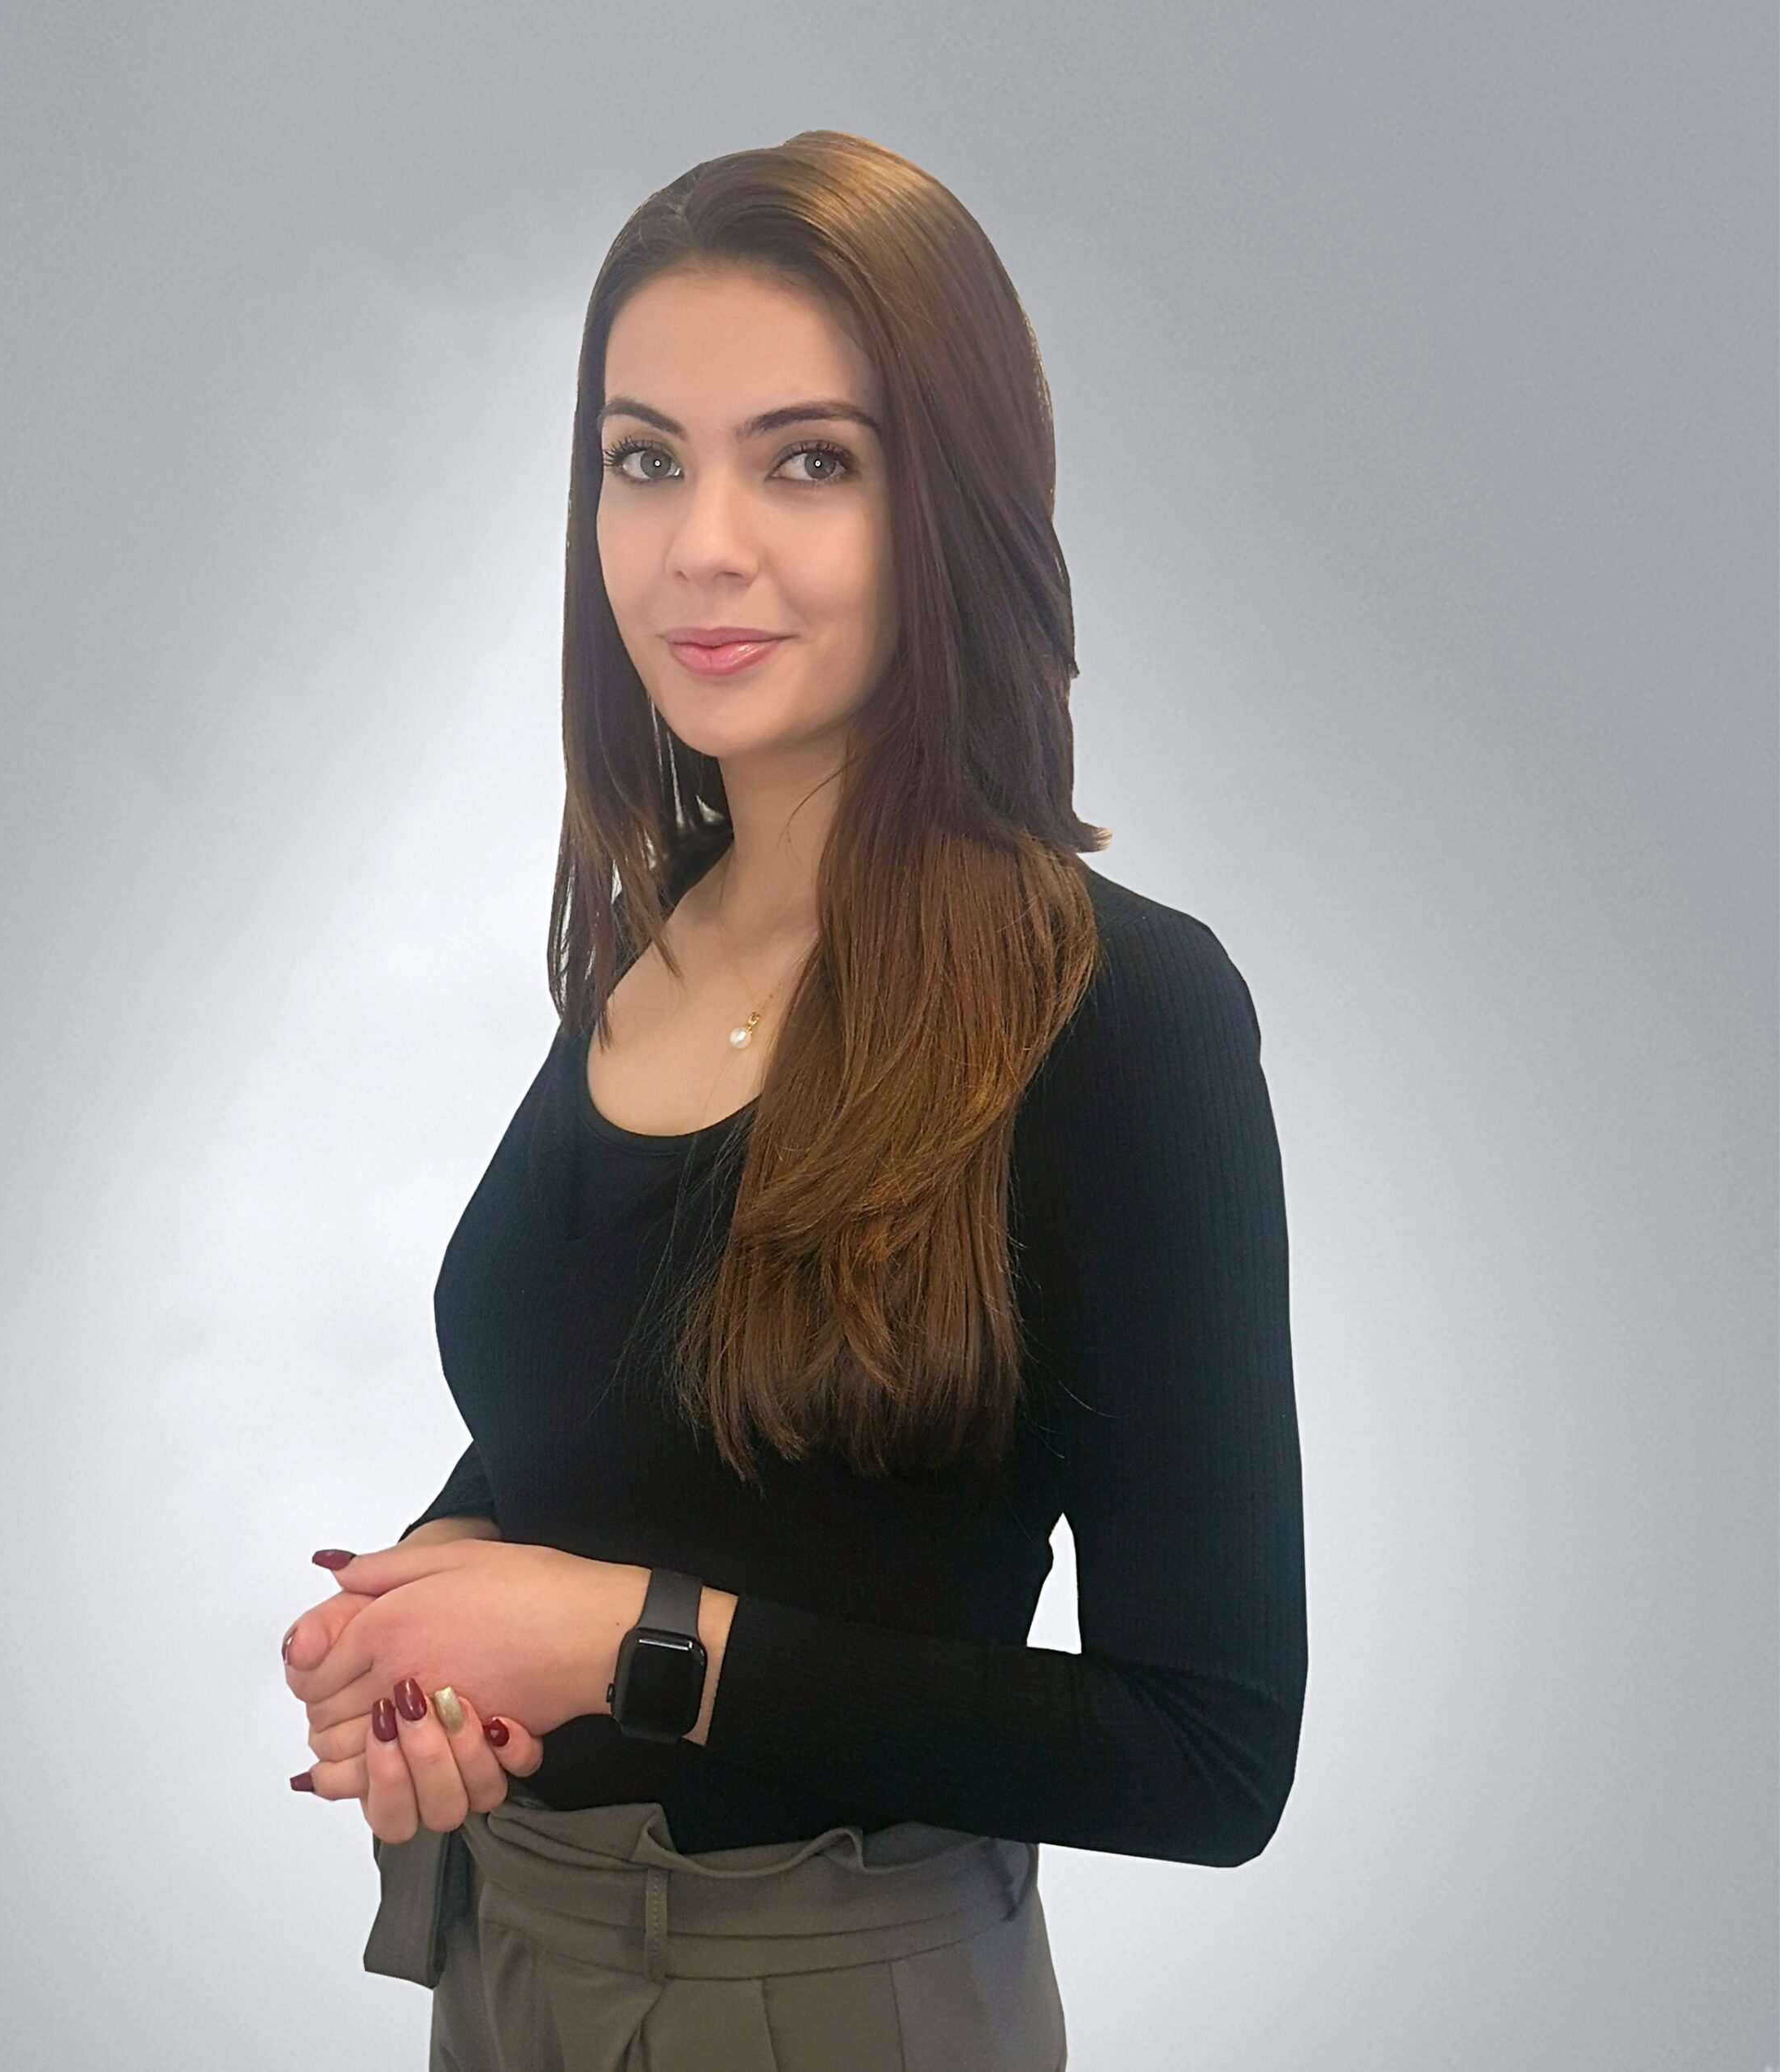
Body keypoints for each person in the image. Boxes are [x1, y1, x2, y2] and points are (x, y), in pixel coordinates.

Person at [279, 128, 1308, 2071]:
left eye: (807, 460)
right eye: (643, 457)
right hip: (512, 1963)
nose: (700, 543)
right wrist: (420, 1622)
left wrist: (621, 1642)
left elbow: (1207, 1751)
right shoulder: (650, 935)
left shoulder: (1118, 1011)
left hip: (837, 2001)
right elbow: (618, 1417)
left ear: (954, 505)